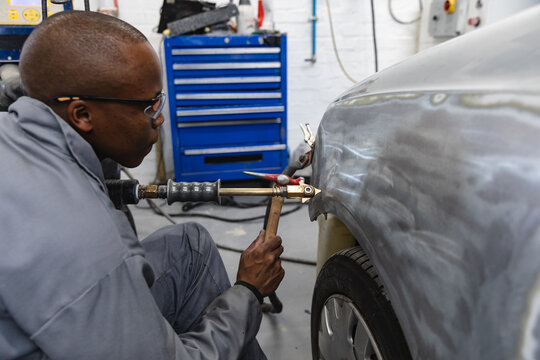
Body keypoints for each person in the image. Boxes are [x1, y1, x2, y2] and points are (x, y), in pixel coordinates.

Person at [0, 10, 285, 360]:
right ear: (82, 115)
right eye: (149, 106)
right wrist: (249, 291)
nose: (159, 117)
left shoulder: (12, 131)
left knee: (189, 245)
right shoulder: (89, 243)